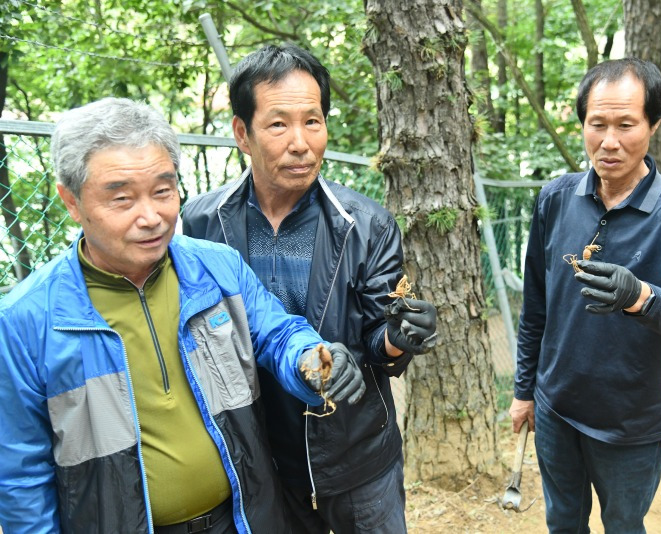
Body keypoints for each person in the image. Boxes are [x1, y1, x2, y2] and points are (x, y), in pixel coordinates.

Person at [0, 97, 367, 534]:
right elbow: (22, 476)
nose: (151, 217)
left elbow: (277, 334)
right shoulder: (25, 321)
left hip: (242, 519)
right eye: (121, 199)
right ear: (72, 202)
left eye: (162, 191)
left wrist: (312, 358)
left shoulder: (216, 268)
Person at [182, 44, 437, 533]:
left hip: (357, 456)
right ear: (242, 132)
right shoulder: (200, 224)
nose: (300, 142)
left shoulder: (366, 225)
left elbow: (379, 348)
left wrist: (399, 337)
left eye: (313, 121)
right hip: (260, 463)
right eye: (278, 124)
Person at [510, 57, 661, 533]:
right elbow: (535, 307)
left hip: (630, 422)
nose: (609, 141)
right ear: (582, 122)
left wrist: (640, 295)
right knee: (562, 523)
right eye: (596, 124)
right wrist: (525, 392)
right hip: (556, 406)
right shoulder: (554, 198)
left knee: (624, 525)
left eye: (626, 124)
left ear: (654, 124)